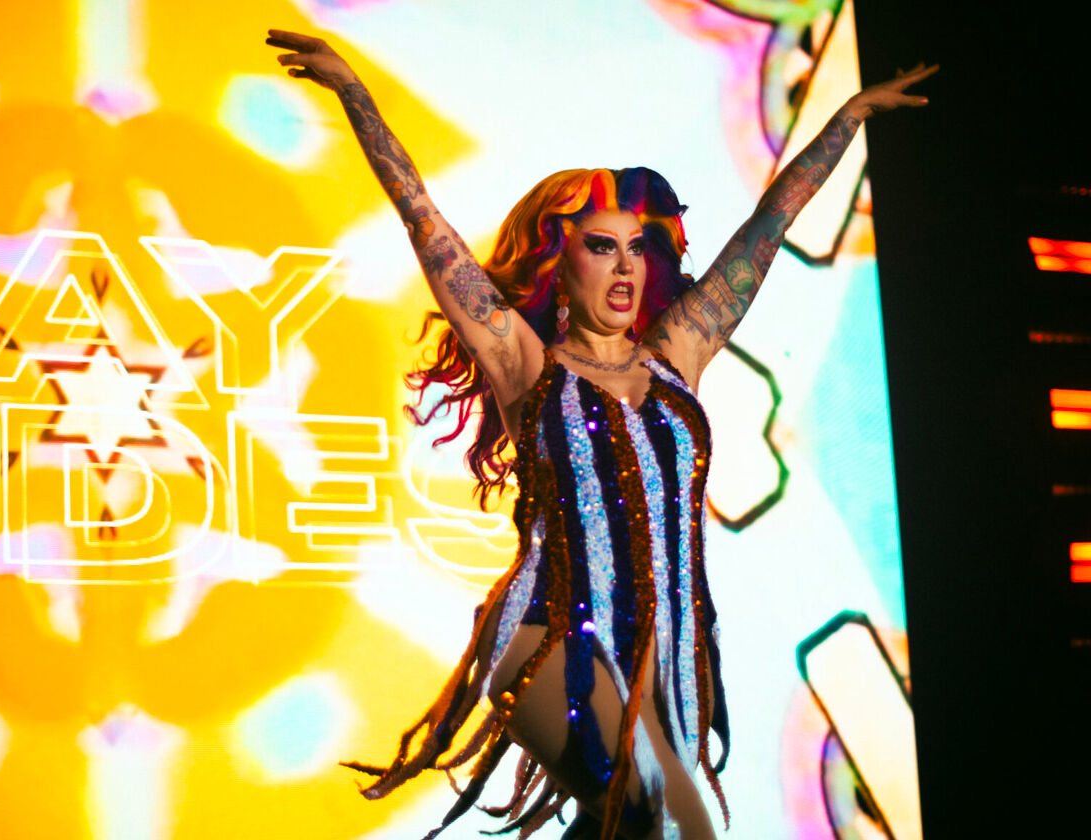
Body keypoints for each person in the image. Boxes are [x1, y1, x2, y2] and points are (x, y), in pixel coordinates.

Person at [266, 29, 936, 840]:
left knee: (654, 824)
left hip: (661, 655)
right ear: (561, 262)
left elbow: (771, 223)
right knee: (655, 803)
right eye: (601, 248)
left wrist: (850, 115)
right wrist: (357, 98)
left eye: (638, 250)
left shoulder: (677, 356)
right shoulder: (524, 362)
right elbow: (422, 219)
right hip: (547, 635)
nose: (625, 269)